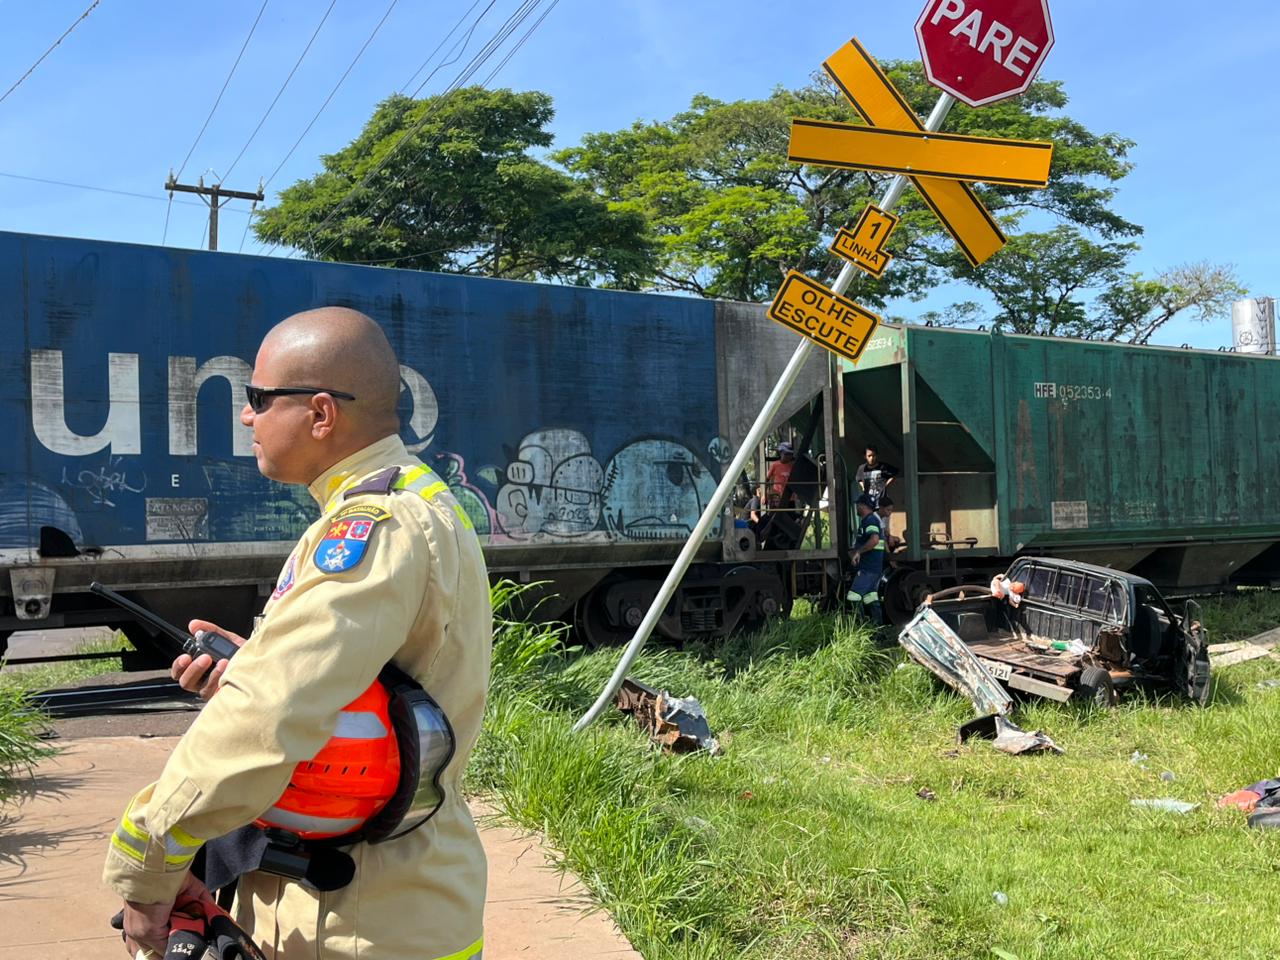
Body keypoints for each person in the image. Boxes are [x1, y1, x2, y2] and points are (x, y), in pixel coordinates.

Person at [103, 307, 491, 960]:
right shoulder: (408, 503)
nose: (246, 416)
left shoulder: (374, 526)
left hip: (356, 919)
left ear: (320, 413)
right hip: (383, 899)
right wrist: (257, 663)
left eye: (258, 398)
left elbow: (269, 713)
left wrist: (150, 863)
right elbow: (340, 685)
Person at [847, 494, 886, 624]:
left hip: (868, 568)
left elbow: (874, 540)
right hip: (873, 568)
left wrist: (858, 552)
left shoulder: (870, 521)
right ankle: (878, 629)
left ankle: (859, 627)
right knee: (870, 597)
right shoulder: (870, 520)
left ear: (863, 506)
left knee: (853, 596)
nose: (857, 507)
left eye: (858, 505)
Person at [766, 441, 797, 510]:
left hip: (790, 497)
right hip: (777, 498)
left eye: (790, 454)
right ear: (781, 453)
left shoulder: (792, 466)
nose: (788, 457)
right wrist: (764, 495)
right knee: (776, 515)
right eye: (786, 454)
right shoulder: (774, 465)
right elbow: (766, 480)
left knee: (790, 514)